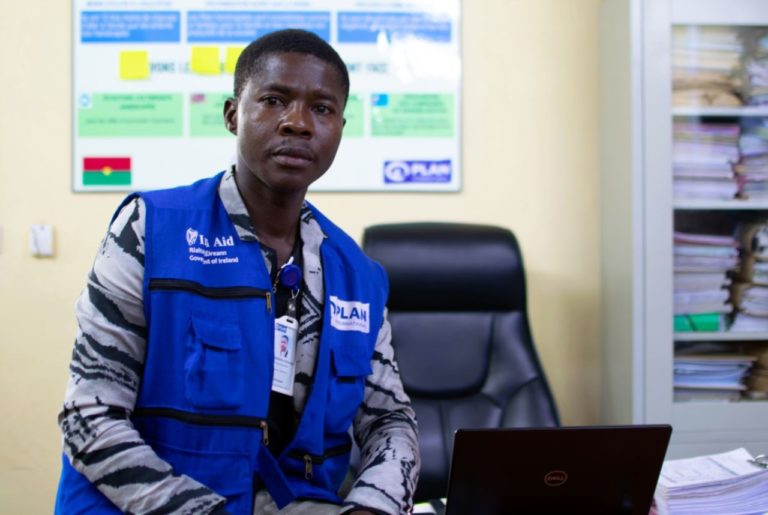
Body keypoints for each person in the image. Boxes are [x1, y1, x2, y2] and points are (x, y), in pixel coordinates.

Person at [55, 29, 420, 515]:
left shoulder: (359, 275)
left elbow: (390, 421)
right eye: (274, 100)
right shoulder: (149, 230)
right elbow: (89, 415)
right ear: (233, 114)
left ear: (339, 127)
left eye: (322, 109)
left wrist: (373, 506)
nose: (298, 123)